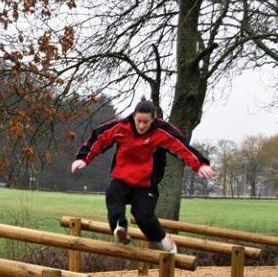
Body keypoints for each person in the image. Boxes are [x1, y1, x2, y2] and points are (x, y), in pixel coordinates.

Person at [70, 99, 215, 253]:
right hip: (122, 178)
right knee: (113, 195)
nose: (141, 126)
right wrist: (83, 158)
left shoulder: (162, 131)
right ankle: (120, 227)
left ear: (153, 119)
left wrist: (200, 164)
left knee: (142, 216)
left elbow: (182, 147)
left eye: (146, 122)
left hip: (146, 184)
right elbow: (98, 138)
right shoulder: (121, 126)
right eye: (138, 121)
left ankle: (162, 240)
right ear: (134, 116)